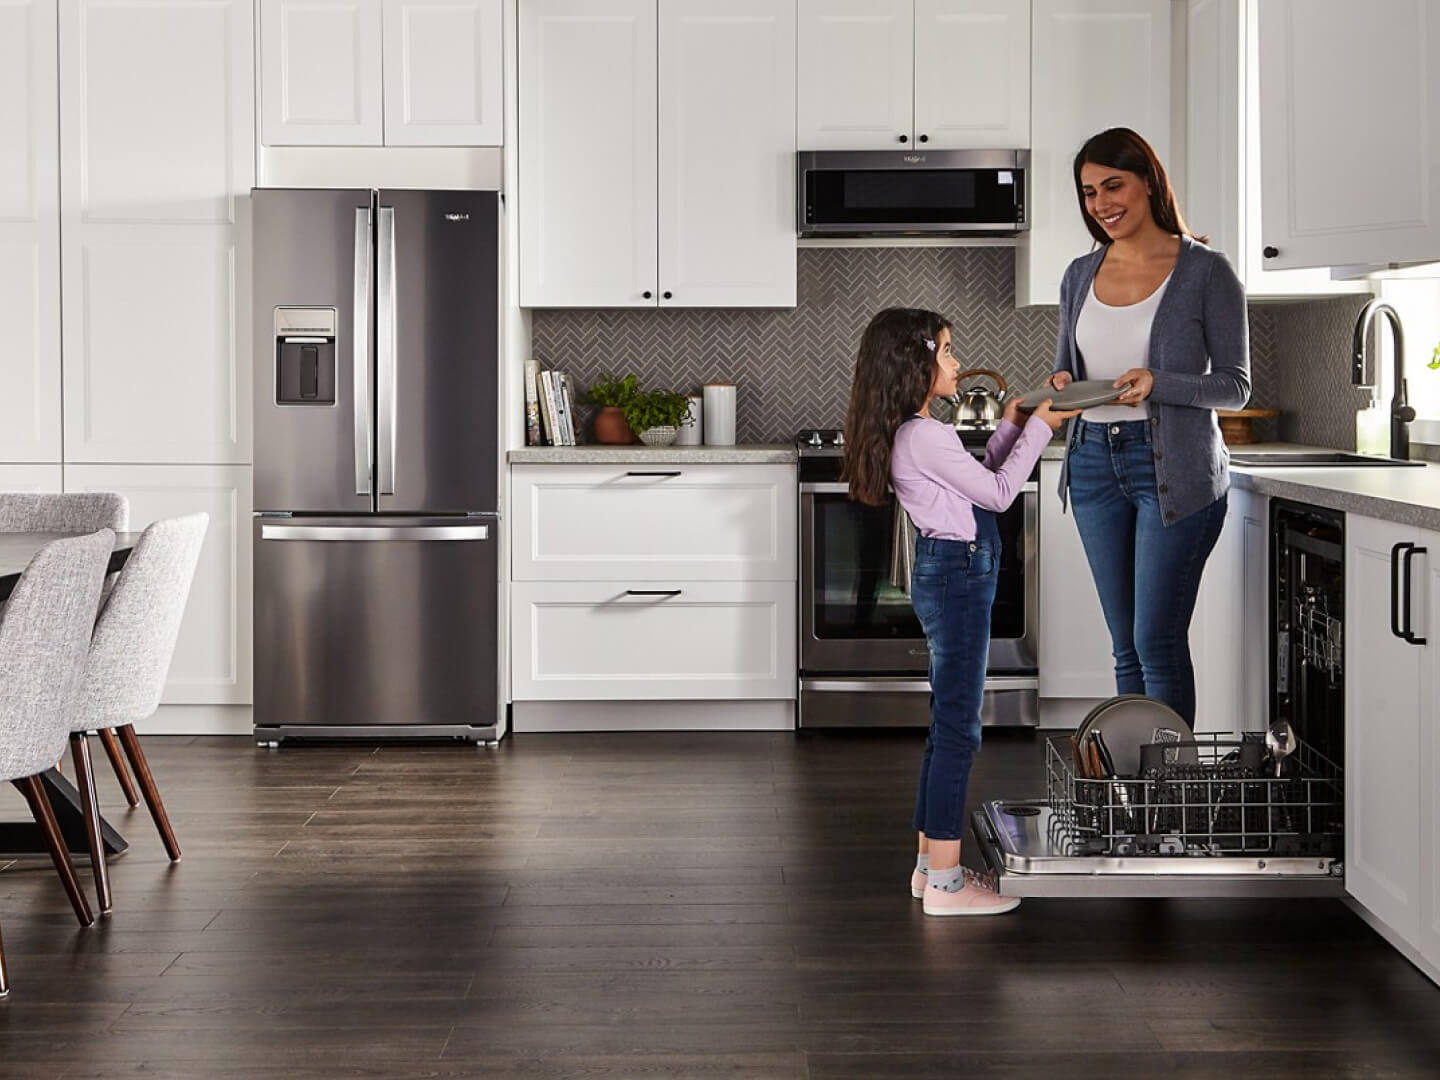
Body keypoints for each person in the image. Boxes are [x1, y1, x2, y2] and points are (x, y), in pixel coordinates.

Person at [842, 308, 1077, 916]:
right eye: (946, 351)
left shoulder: (920, 432)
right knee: (958, 731)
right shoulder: (925, 435)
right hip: (959, 575)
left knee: (946, 724)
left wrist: (1015, 423)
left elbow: (979, 477)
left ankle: (930, 868)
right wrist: (1041, 430)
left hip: (950, 571)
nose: (955, 362)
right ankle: (947, 886)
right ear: (914, 362)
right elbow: (999, 494)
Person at [1047, 127, 1251, 726]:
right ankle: (1136, 781)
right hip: (1091, 464)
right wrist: (1061, 385)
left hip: (1174, 472)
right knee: (1126, 647)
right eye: (1089, 192)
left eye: (1113, 186)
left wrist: (1158, 382)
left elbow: (1236, 386)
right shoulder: (1078, 274)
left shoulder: (1206, 271)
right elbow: (1066, 368)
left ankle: (1172, 780)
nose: (1100, 204)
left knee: (1156, 641)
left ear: (1148, 183)